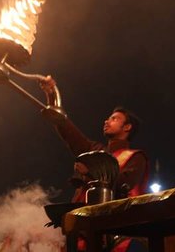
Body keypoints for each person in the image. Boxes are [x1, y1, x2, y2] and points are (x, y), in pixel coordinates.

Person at [40, 77, 149, 252]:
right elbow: (69, 133)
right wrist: (52, 96)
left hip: (116, 234)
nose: (106, 121)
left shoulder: (136, 157)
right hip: (82, 229)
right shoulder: (96, 150)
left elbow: (121, 184)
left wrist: (89, 171)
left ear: (127, 127)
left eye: (114, 119)